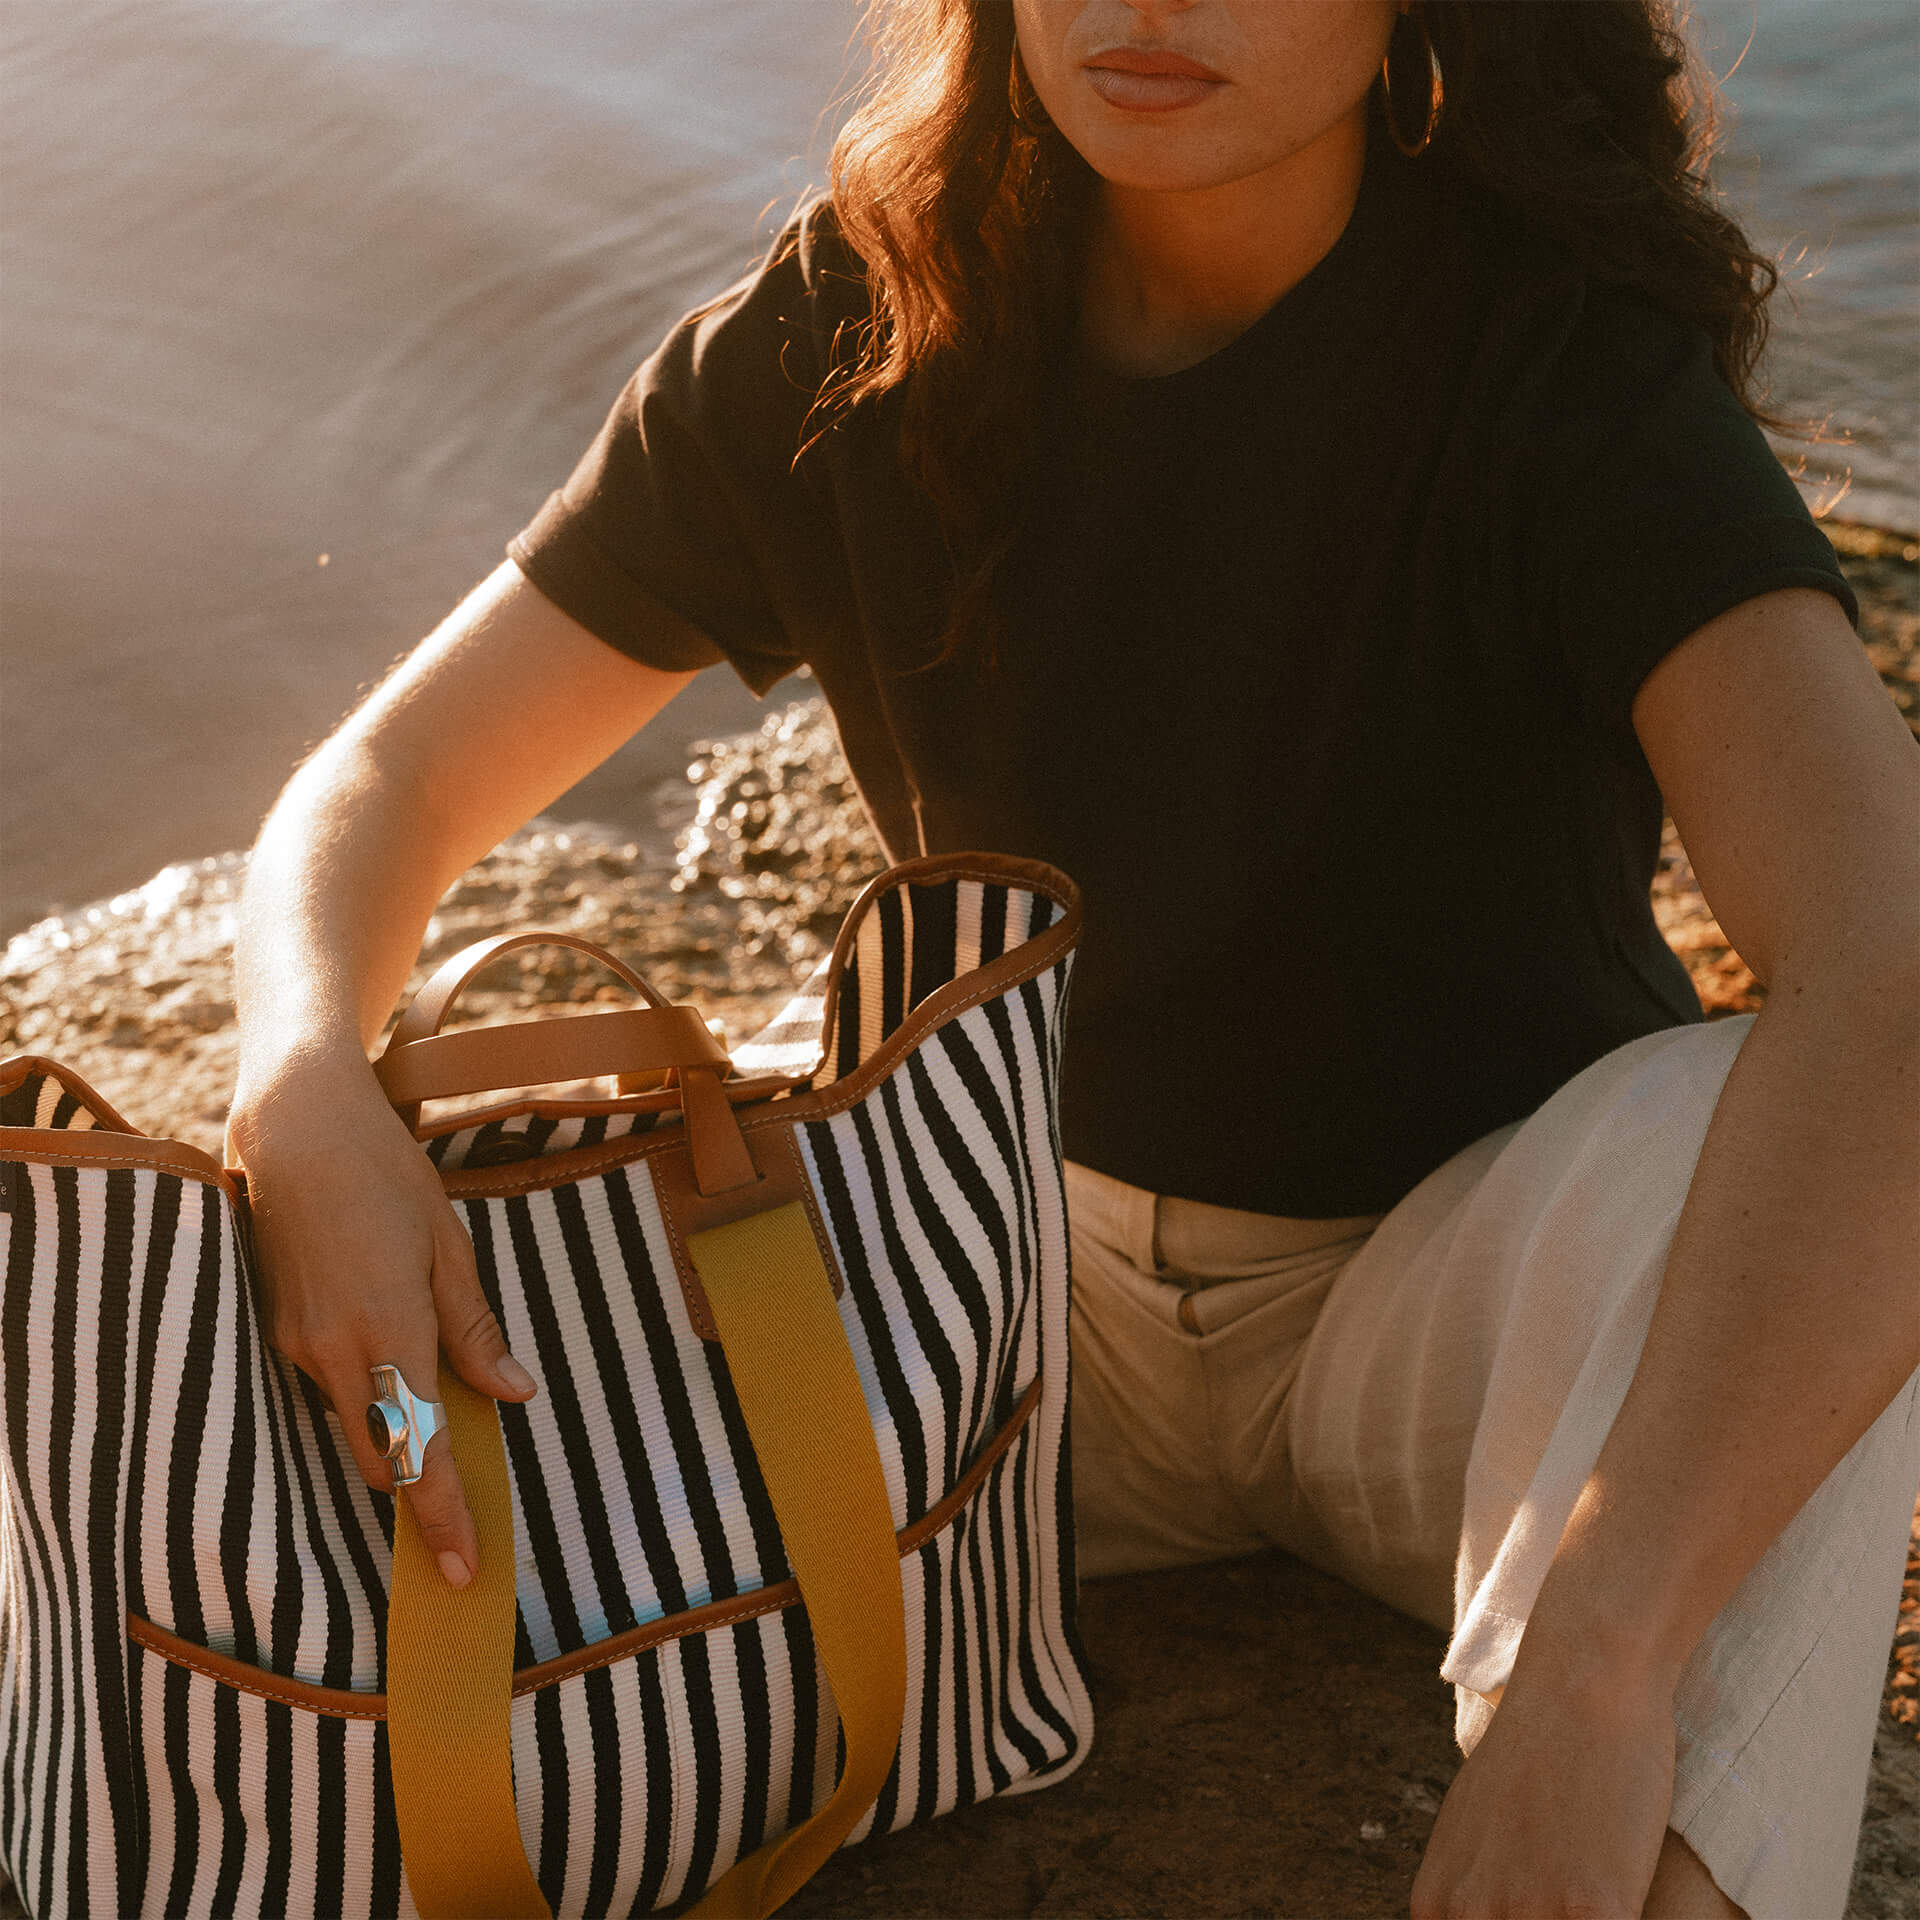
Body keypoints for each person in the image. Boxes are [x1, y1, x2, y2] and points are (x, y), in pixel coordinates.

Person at [229, 1, 1920, 1913]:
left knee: (1809, 1174)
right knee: (429, 1326)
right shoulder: (861, 326)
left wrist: (1607, 1661)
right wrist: (297, 1079)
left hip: (1463, 1323)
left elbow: (1885, 962)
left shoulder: (1561, 366)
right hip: (1002, 1283)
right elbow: (393, 770)